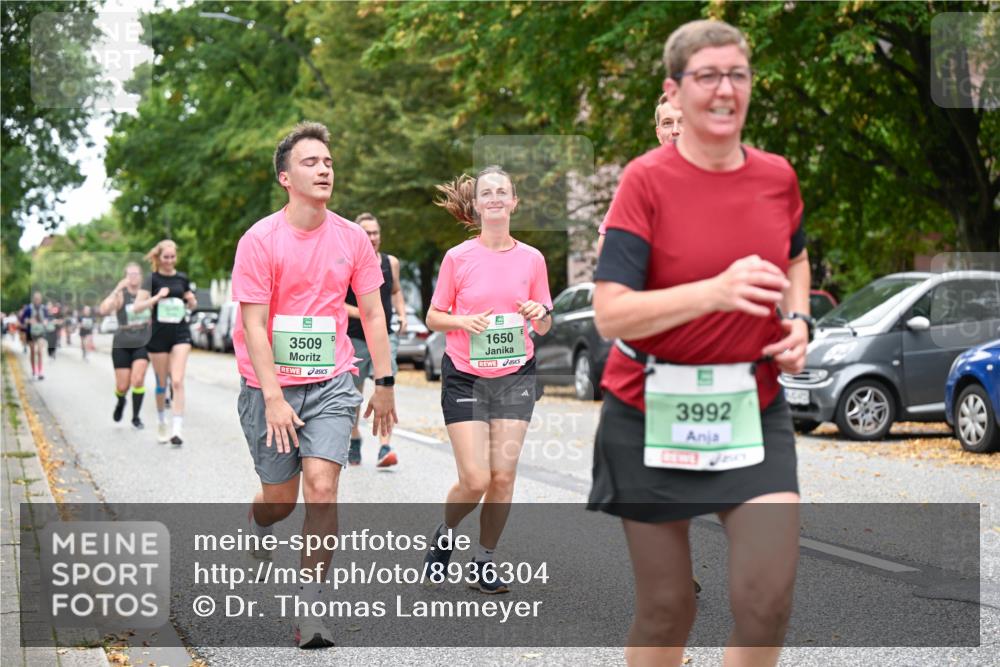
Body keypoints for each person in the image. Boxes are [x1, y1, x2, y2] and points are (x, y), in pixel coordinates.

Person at [588, 19, 810, 667]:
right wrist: (715, 292)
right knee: (667, 610)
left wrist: (798, 322)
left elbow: (795, 261)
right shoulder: (645, 182)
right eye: (707, 75)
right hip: (650, 407)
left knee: (767, 599)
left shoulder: (777, 178)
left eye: (736, 74)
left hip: (751, 404)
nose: (724, 89)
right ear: (675, 89)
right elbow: (611, 313)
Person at [232, 121, 397, 649]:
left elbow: (372, 313)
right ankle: (257, 525)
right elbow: (255, 325)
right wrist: (275, 396)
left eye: (327, 161)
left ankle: (311, 611)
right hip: (267, 388)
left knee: (323, 489)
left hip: (332, 380)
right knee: (280, 502)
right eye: (311, 162)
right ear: (285, 177)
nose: (324, 169)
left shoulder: (351, 238)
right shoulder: (260, 240)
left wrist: (387, 381)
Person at [422, 166, 553, 594]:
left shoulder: (532, 259)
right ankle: (445, 532)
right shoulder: (458, 258)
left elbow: (546, 324)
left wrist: (539, 314)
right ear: (476, 205)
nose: (495, 198)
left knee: (503, 476)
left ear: (514, 202)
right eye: (487, 193)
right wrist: (464, 320)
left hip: (516, 374)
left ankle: (484, 561)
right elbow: (433, 316)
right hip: (465, 376)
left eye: (503, 192)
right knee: (476, 478)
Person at [344, 212, 405, 467]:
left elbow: (396, 290)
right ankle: (355, 437)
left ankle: (384, 447)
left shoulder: (390, 262)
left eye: (375, 232)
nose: (371, 237)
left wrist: (401, 313)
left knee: (385, 386)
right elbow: (336, 302)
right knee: (354, 394)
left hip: (385, 336)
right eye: (366, 232)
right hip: (355, 338)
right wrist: (365, 314)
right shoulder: (347, 262)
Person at [595, 94, 684, 256]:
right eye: (667, 123)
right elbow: (606, 246)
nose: (675, 130)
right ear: (658, 133)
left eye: (683, 122)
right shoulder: (640, 180)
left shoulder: (719, 178)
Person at [133, 240, 196, 445]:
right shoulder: (151, 280)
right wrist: (156, 298)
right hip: (159, 335)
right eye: (165, 257)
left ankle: (177, 430)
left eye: (172, 257)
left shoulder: (182, 278)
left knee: (177, 380)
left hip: (180, 332)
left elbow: (190, 304)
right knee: (162, 383)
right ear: (158, 259)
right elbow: (137, 307)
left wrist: (192, 300)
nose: (169, 261)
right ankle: (161, 421)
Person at [99, 263, 151, 429]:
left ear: (141, 276)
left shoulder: (147, 294)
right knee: (122, 386)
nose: (133, 277)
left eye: (136, 274)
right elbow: (104, 310)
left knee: (138, 380)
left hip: (142, 340)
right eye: (130, 274)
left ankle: (136, 417)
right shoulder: (121, 294)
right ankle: (121, 401)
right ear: (125, 277)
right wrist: (116, 289)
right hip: (122, 341)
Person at [21, 293, 49, 379]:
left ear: (41, 299)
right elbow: (22, 319)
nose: (37, 300)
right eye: (36, 298)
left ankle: (40, 372)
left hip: (41, 332)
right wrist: (29, 320)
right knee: (33, 352)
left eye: (39, 298)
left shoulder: (44, 308)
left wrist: (45, 322)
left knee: (40, 351)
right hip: (31, 332)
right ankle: (34, 371)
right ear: (33, 299)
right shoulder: (28, 308)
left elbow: (47, 318)